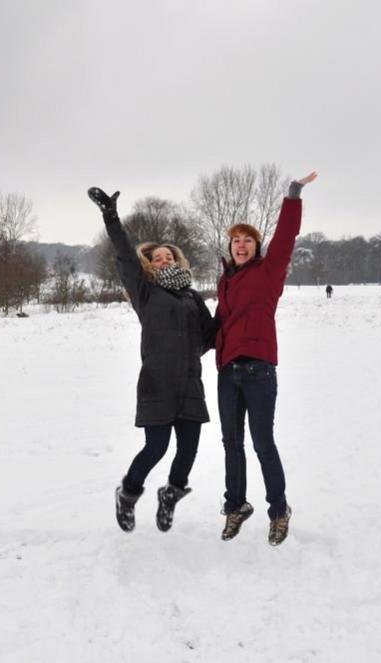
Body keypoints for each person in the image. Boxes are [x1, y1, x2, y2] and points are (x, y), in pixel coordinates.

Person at [88, 186, 217, 533]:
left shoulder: (192, 297)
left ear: (177, 261)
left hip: (189, 383)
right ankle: (128, 494)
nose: (163, 260)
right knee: (156, 448)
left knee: (188, 451)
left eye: (168, 257)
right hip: (157, 383)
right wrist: (111, 217)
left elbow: (211, 335)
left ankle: (171, 494)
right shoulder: (145, 293)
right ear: (150, 264)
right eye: (157, 258)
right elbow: (126, 256)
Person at [215, 171, 318, 546]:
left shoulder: (269, 271)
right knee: (230, 444)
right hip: (228, 373)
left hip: (259, 370)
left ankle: (278, 510)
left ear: (257, 246)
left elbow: (286, 237)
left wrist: (293, 195)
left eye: (247, 241)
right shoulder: (225, 280)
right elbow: (219, 326)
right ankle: (236, 507)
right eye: (235, 241)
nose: (241, 246)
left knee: (262, 443)